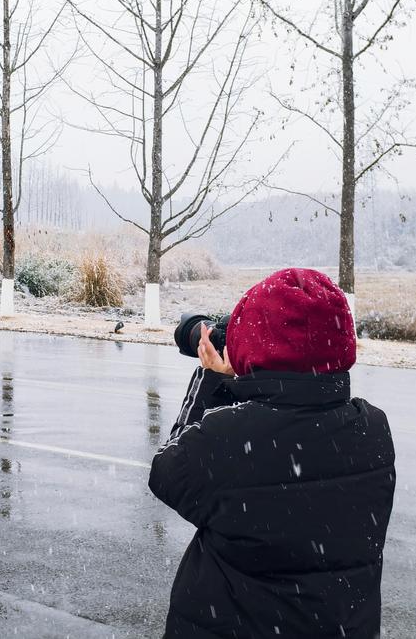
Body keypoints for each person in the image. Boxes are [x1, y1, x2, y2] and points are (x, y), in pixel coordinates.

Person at [149, 268, 395, 639]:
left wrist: (212, 379)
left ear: (255, 346)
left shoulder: (226, 438)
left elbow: (166, 473)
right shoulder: (372, 428)